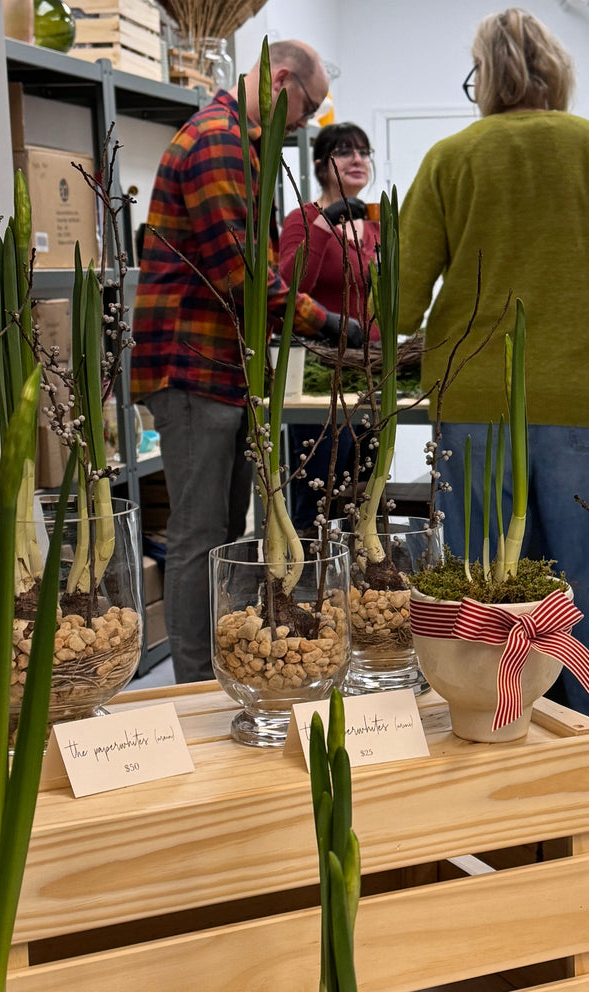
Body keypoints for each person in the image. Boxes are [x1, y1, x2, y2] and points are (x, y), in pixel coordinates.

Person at [397, 8, 589, 833]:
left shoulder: (453, 159)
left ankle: (509, 809)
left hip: (479, 407)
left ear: (482, 78)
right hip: (585, 407)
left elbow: (404, 297)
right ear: (558, 72)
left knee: (489, 615)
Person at [130, 40, 363, 684]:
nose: (306, 122)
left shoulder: (242, 142)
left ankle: (219, 676)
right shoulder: (215, 140)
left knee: (225, 534)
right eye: (308, 107)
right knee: (200, 536)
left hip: (220, 371)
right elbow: (243, 272)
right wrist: (331, 324)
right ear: (281, 78)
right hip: (192, 366)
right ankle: (198, 687)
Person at [279, 123, 380, 530]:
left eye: (364, 151)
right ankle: (308, 578)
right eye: (345, 151)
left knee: (364, 488)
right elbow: (289, 286)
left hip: (369, 370)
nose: (358, 159)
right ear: (322, 165)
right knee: (315, 487)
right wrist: (324, 226)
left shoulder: (375, 224)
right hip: (318, 376)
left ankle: (361, 583)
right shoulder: (300, 218)